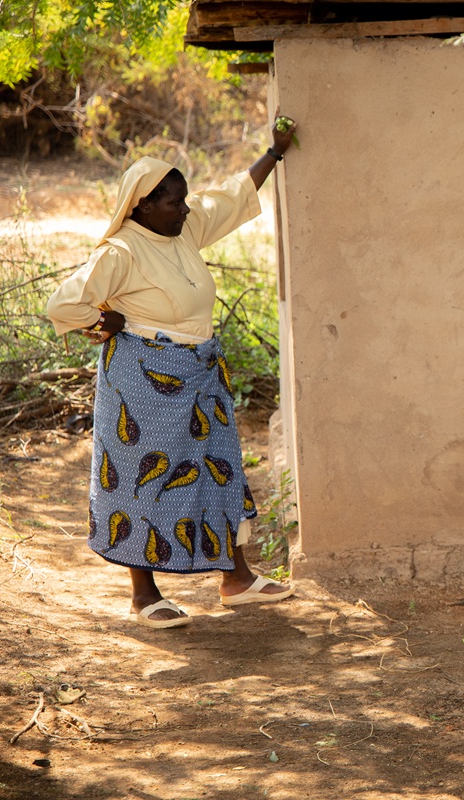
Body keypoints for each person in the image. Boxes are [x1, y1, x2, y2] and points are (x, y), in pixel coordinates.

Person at [46, 116, 299, 628]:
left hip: (199, 373)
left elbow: (229, 196)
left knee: (215, 464)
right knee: (146, 476)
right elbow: (62, 303)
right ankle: (143, 595)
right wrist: (102, 319)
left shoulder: (183, 229)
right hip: (143, 381)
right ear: (141, 206)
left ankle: (238, 578)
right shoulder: (120, 252)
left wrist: (274, 153)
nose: (185, 209)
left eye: (184, 200)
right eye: (172, 202)